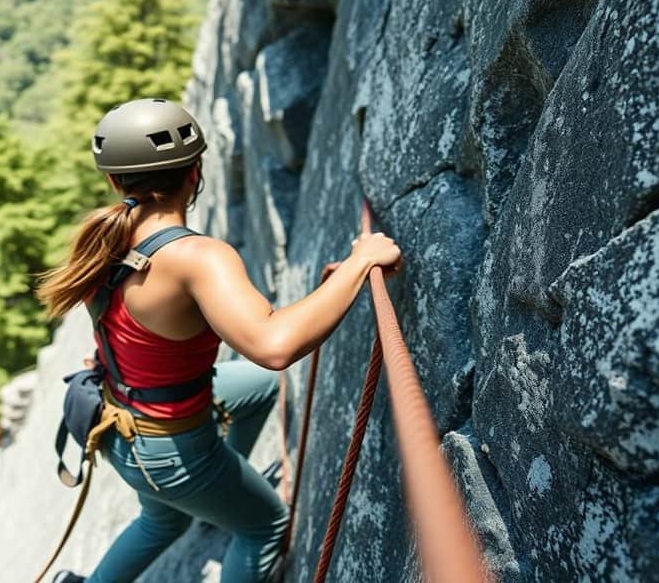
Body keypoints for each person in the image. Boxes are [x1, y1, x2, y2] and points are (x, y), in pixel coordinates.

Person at [36, 98, 401, 583]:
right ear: (195, 171)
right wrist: (359, 264)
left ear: (114, 180)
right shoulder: (198, 259)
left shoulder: (104, 242)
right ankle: (214, 490)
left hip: (120, 424)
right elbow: (274, 346)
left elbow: (123, 326)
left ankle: (211, 494)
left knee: (173, 502)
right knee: (266, 526)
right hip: (170, 447)